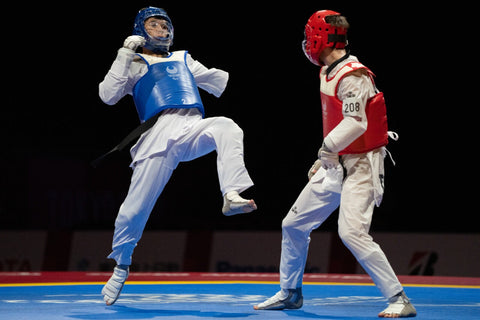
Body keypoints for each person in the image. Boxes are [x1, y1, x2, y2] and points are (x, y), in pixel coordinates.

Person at [254, 10, 416, 318]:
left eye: (308, 36)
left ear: (318, 39)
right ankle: (290, 292)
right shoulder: (329, 71)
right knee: (293, 224)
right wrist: (327, 157)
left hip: (361, 166)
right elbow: (337, 122)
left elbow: (356, 122)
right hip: (334, 163)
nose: (305, 43)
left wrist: (326, 150)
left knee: (352, 233)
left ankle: (399, 298)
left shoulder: (354, 76)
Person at [99, 6, 257, 305]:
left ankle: (231, 193)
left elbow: (217, 81)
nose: (162, 29)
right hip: (156, 138)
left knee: (227, 127)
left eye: (165, 24)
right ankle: (121, 266)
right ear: (141, 30)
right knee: (132, 212)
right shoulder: (133, 62)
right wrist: (123, 54)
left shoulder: (183, 58)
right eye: (154, 24)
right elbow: (108, 96)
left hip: (190, 129)